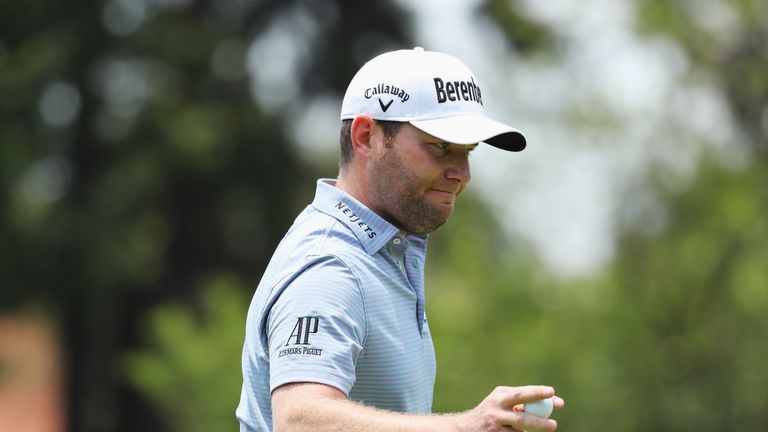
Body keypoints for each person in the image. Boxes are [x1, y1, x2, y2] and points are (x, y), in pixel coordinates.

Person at [236, 47, 564, 432]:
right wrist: (464, 427)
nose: (462, 172)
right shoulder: (330, 266)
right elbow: (300, 420)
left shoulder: (383, 253)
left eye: (468, 151)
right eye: (440, 146)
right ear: (366, 137)